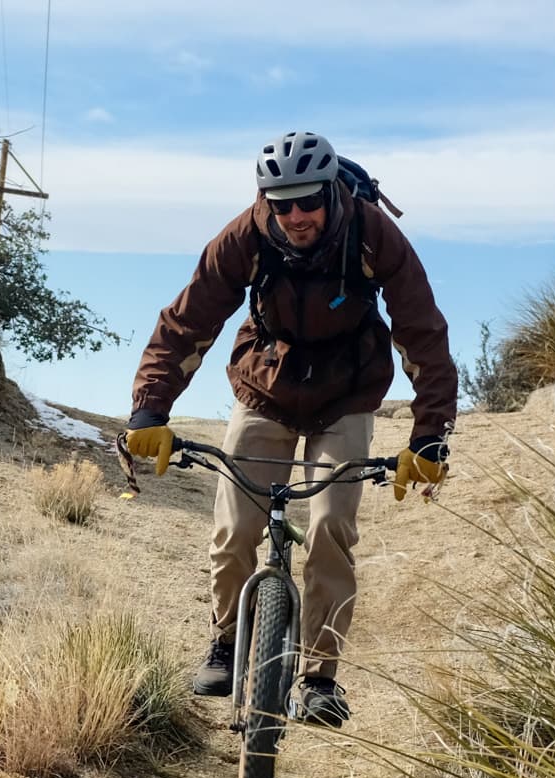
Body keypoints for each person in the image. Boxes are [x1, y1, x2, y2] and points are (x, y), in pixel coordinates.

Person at [123, 130, 458, 727]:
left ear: (330, 191)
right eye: (283, 204)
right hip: (265, 388)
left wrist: (429, 435)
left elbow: (421, 333)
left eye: (309, 201)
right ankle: (226, 642)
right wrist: (150, 411)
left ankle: (321, 677)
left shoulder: (371, 232)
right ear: (265, 201)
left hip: (347, 395)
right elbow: (185, 324)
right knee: (235, 528)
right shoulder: (243, 238)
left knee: (331, 526)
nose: (298, 216)